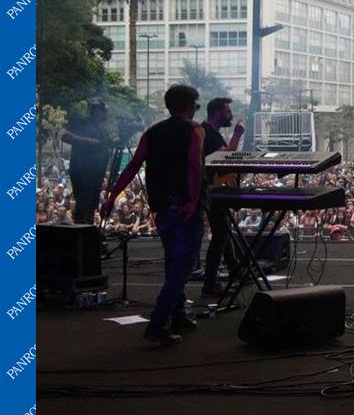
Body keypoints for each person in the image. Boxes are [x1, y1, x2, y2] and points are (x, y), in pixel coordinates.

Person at [101, 85, 206, 345]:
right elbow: (194, 165)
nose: (196, 109)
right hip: (184, 204)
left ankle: (178, 315)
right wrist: (193, 200)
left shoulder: (152, 132)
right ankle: (158, 322)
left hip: (162, 206)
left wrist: (112, 197)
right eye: (196, 105)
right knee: (183, 265)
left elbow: (133, 165)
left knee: (173, 261)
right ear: (189, 105)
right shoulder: (195, 130)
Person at [200, 97, 244, 297]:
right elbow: (225, 155)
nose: (231, 115)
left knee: (223, 231)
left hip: (214, 189)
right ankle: (210, 284)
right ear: (217, 112)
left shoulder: (212, 133)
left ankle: (235, 269)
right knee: (219, 235)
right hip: (211, 190)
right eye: (227, 111)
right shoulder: (207, 133)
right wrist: (237, 134)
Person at [62, 102, 114, 225]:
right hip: (82, 171)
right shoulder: (82, 123)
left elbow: (109, 143)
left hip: (96, 173)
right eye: (104, 111)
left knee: (92, 204)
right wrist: (87, 141)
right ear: (97, 112)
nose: (106, 114)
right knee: (83, 203)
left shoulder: (102, 129)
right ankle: (80, 229)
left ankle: (88, 227)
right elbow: (65, 136)